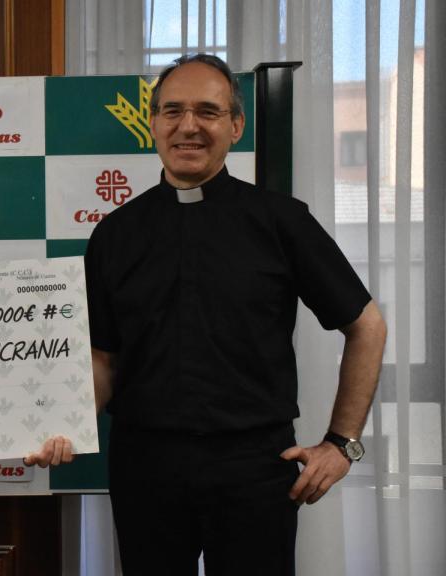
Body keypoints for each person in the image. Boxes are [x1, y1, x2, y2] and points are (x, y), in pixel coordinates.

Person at [32, 54, 387, 575]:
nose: (189, 126)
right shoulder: (115, 234)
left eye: (208, 111)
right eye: (173, 111)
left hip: (255, 467)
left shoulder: (281, 221)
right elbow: (104, 359)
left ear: (236, 125)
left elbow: (367, 326)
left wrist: (341, 444)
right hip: (144, 467)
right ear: (152, 123)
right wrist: (62, 422)